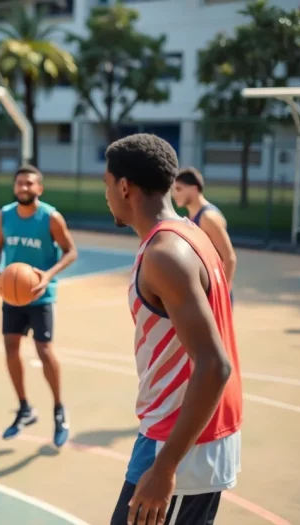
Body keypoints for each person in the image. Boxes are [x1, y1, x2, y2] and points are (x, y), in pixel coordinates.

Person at [102, 134, 242, 525]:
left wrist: (164, 468)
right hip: (182, 437)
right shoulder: (189, 235)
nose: (107, 194)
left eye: (107, 184)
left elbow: (215, 365)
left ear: (124, 186)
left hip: (180, 445)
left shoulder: (165, 254)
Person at [0, 164, 78, 448]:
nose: (24, 188)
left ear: (39, 188)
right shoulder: (3, 216)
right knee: (11, 350)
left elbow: (71, 251)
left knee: (44, 350)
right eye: (20, 183)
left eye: (29, 183)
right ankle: (25, 408)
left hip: (41, 295)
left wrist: (48, 275)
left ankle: (58, 409)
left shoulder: (51, 217)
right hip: (13, 297)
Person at [172, 167, 237, 298]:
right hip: (202, 289)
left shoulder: (208, 217)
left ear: (194, 189)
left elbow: (229, 258)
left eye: (179, 189)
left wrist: (222, 293)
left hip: (215, 293)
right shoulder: (191, 216)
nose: (174, 194)